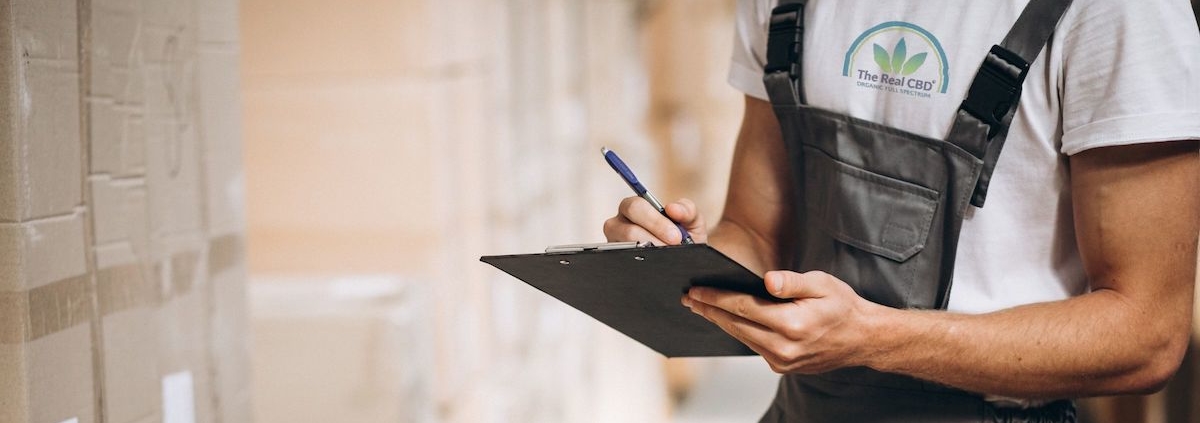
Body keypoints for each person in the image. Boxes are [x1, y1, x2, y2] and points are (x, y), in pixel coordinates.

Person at [604, 0, 1200, 421]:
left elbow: (1146, 334)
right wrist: (684, 260)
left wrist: (870, 338)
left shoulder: (1123, 13)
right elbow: (757, 231)